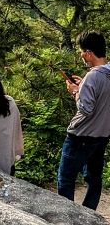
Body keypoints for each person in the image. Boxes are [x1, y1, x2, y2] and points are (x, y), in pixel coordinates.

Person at [57, 30, 110, 210]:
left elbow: (86, 108)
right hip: (101, 136)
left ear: (88, 52)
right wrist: (83, 87)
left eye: (81, 52)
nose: (81, 56)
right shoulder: (106, 73)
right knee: (94, 179)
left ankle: (67, 217)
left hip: (80, 137)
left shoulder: (93, 76)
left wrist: (75, 92)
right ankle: (89, 215)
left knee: (66, 179)